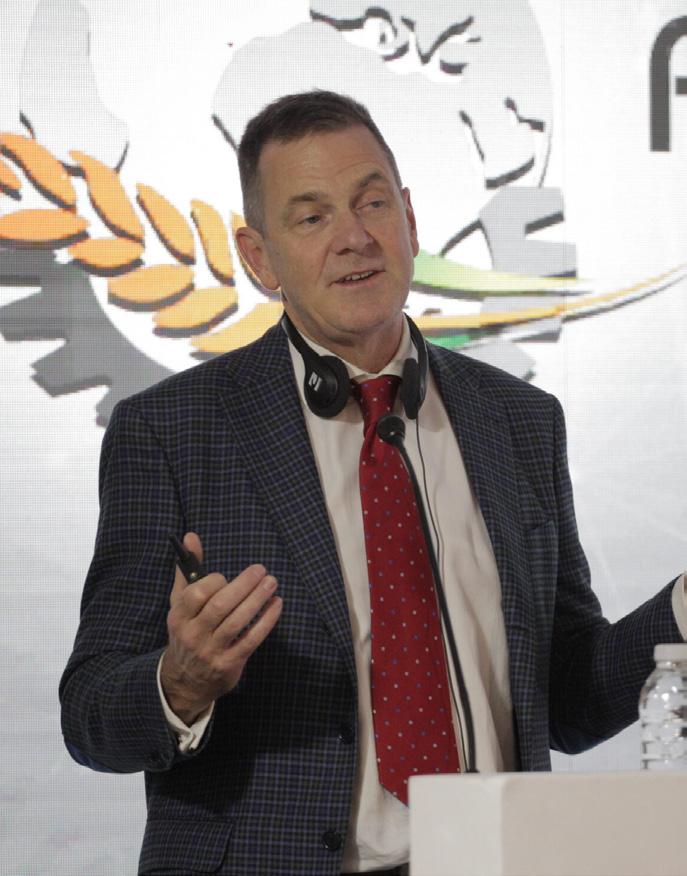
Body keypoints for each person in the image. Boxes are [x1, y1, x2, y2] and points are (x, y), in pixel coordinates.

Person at [60, 90, 685, 876]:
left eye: (372, 203)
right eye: (311, 217)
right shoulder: (172, 431)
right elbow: (90, 715)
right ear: (259, 258)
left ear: (410, 220)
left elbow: (567, 698)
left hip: (494, 860)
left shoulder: (522, 422)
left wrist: (680, 610)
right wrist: (180, 683)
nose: (354, 237)